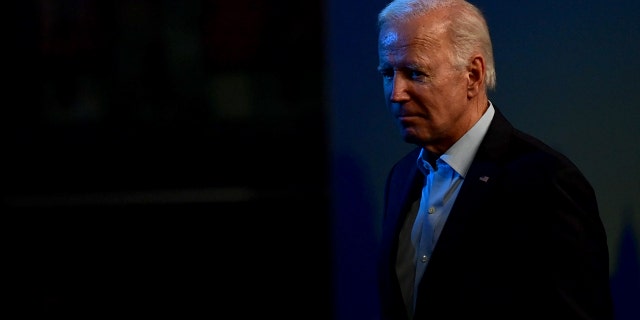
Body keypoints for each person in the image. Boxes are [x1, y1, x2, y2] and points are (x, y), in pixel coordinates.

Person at [375, 0, 614, 319]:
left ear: (473, 75)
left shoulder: (545, 183)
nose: (396, 93)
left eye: (415, 73)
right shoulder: (401, 176)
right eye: (388, 73)